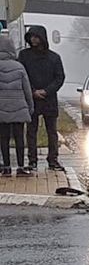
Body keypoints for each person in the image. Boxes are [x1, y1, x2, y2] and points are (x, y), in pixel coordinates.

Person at [19, 26, 66, 171]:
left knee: (51, 131)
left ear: (42, 38)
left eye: (36, 36)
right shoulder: (24, 56)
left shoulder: (54, 57)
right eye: (31, 36)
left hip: (49, 99)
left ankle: (53, 159)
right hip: (31, 99)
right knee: (31, 130)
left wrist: (46, 91)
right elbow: (22, 75)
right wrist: (32, 91)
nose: (33, 39)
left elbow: (59, 77)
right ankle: (32, 160)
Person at [0, 36, 34, 176]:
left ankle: (6, 167)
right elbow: (27, 89)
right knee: (20, 137)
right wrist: (30, 107)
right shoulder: (19, 67)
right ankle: (20, 167)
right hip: (19, 107)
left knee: (3, 138)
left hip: (1, 107)